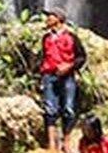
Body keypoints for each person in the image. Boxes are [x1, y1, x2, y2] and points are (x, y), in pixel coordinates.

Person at [39, 8, 86, 152]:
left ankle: (66, 142)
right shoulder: (45, 38)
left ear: (59, 18)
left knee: (68, 109)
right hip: (49, 76)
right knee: (49, 109)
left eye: (50, 16)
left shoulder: (72, 37)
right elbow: (44, 57)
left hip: (67, 77)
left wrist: (69, 66)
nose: (47, 19)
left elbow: (82, 57)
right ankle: (52, 144)